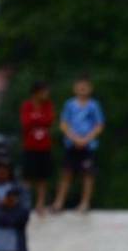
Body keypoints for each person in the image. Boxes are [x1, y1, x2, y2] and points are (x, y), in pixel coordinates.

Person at [52, 76, 104, 214]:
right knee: (66, 173)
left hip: (88, 144)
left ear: (90, 89)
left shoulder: (94, 105)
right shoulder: (69, 104)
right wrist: (74, 138)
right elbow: (63, 124)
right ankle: (59, 202)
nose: (82, 89)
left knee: (88, 174)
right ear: (74, 88)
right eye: (80, 86)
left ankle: (85, 203)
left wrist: (86, 139)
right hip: (71, 143)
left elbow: (99, 125)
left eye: (85, 86)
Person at [19, 82, 55, 217]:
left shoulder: (48, 105)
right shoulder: (27, 106)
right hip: (30, 146)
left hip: (44, 146)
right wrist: (39, 119)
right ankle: (25, 203)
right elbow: (25, 123)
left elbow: (49, 120)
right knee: (27, 177)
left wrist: (36, 118)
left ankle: (41, 203)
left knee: (42, 177)